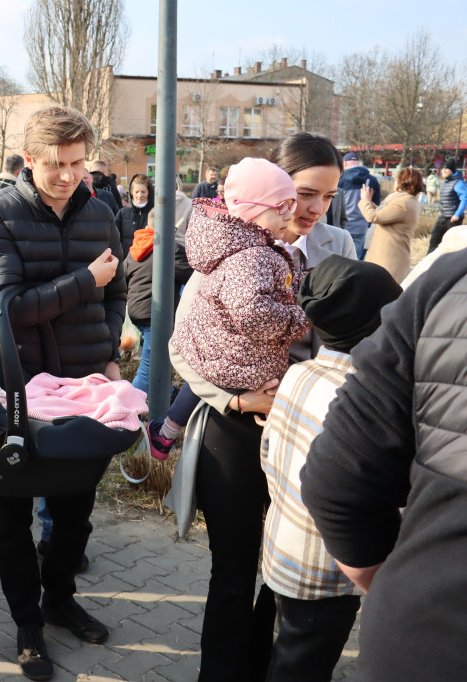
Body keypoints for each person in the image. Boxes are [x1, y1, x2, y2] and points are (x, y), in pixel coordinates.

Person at [168, 132, 355, 682]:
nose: (313, 209)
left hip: (304, 432)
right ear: (274, 189)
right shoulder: (228, 243)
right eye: (303, 192)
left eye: (328, 195)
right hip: (234, 427)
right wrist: (235, 397)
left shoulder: (338, 247)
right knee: (233, 566)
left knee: (286, 570)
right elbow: (186, 345)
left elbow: (348, 335)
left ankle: (263, 664)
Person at [0, 104, 125, 680]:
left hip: (85, 388)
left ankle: (59, 600)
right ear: (29, 160)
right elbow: (4, 307)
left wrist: (108, 353)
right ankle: (27, 624)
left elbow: (117, 294)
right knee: (12, 520)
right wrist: (84, 281)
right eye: (55, 164)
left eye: (77, 163)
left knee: (76, 514)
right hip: (16, 389)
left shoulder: (100, 211)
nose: (67, 175)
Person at [299, 249, 467, 681]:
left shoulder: (450, 283)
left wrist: (398, 582)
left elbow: (334, 479)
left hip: (421, 632)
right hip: (322, 580)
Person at [259, 256, 400, 682]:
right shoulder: (361, 397)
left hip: (284, 548)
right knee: (301, 666)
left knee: (290, 652)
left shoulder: (299, 373)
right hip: (326, 569)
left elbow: (268, 452)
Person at [148, 158, 310, 458]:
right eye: (283, 206)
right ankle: (165, 432)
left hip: (223, 359)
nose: (292, 213)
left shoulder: (239, 250)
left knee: (203, 377)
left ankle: (166, 432)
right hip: (241, 368)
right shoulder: (253, 257)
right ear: (253, 209)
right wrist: (300, 316)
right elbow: (253, 312)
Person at [122, 205, 192, 395]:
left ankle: (166, 393)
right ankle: (129, 402)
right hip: (155, 313)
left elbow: (124, 275)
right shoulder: (169, 250)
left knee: (158, 358)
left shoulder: (135, 248)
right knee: (150, 365)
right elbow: (191, 277)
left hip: (137, 310)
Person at [359, 167, 423, 282]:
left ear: (402, 181)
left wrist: (364, 200)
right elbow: (384, 213)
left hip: (389, 258)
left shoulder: (402, 202)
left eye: (397, 179)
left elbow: (373, 217)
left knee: (381, 291)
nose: (394, 181)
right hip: (389, 255)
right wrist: (370, 203)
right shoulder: (406, 199)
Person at [337, 152, 381, 259]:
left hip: (341, 225)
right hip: (362, 225)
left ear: (345, 163)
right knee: (355, 258)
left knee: (339, 257)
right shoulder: (372, 180)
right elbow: (376, 204)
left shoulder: (339, 179)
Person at [427, 156, 467, 253]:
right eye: (442, 169)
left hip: (453, 218)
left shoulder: (458, 183)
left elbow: (464, 198)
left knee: (450, 243)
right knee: (434, 239)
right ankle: (428, 261)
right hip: (443, 217)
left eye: (446, 169)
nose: (443, 171)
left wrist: (457, 214)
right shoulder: (445, 182)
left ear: (452, 170)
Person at [115, 173, 154, 252]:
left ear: (149, 193)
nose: (139, 195)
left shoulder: (154, 214)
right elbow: (115, 239)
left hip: (148, 262)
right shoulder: (123, 213)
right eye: (136, 192)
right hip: (126, 261)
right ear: (131, 192)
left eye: (143, 192)